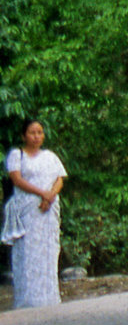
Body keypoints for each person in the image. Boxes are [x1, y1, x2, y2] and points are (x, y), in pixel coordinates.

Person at [3, 120, 67, 309]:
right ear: (24, 136)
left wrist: (50, 195)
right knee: (28, 253)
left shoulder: (50, 157)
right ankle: (28, 301)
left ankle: (49, 298)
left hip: (48, 210)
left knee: (48, 251)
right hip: (28, 211)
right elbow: (17, 179)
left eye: (40, 132)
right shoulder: (17, 155)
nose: (37, 136)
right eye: (32, 132)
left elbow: (59, 179)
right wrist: (42, 193)